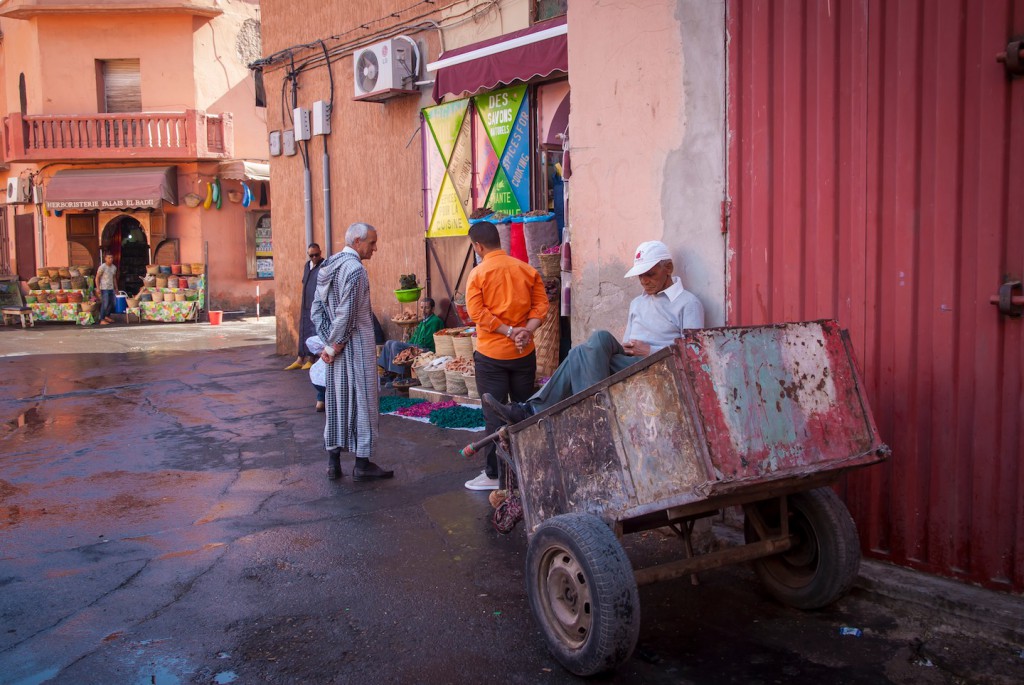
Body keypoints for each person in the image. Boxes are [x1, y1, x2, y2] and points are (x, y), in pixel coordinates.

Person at [484, 240, 704, 424]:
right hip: (629, 360)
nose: (644, 281)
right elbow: (627, 342)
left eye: (650, 274)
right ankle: (587, 410)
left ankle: (534, 410)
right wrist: (630, 348)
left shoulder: (687, 303)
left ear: (669, 269)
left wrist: (650, 350)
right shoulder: (638, 302)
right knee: (598, 339)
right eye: (640, 276)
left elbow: (693, 356)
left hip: (658, 364)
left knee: (578, 354)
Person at [464, 221, 548, 491]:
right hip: (524, 353)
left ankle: (495, 475)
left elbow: (478, 314)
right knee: (524, 409)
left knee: (494, 416)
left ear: (478, 246)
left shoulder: (478, 274)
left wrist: (509, 331)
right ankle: (529, 467)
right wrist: (525, 332)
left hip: (492, 356)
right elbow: (541, 306)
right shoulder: (526, 269)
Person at [311, 222, 394, 482]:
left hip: (336, 350)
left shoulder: (328, 265)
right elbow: (347, 313)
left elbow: (317, 309)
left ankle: (333, 462)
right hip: (354, 347)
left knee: (336, 402)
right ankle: (362, 463)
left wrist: (327, 343)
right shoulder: (356, 270)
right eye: (371, 242)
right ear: (357, 241)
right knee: (364, 402)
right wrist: (335, 345)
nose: (375, 248)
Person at [376, 297, 444, 378]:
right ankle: (388, 371)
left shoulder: (435, 321)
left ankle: (400, 375)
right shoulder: (423, 321)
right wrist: (407, 344)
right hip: (416, 345)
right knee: (388, 343)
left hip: (425, 348)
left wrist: (410, 347)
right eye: (422, 307)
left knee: (395, 345)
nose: (423, 310)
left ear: (433, 309)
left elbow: (427, 342)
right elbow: (414, 337)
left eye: (427, 308)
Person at [286, 243, 325, 370]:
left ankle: (311, 359)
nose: (314, 257)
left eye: (316, 255)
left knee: (314, 330)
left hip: (316, 303)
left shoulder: (324, 265)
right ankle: (300, 358)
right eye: (311, 255)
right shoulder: (307, 266)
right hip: (306, 302)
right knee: (303, 329)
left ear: (320, 252)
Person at [95, 254, 118, 325]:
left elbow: (114, 278)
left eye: (111, 257)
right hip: (104, 288)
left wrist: (116, 288)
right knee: (105, 303)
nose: (110, 259)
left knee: (112, 303)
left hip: (111, 287)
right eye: (109, 258)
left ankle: (107, 316)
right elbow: (97, 277)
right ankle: (102, 319)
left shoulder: (114, 267)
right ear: (105, 259)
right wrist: (98, 288)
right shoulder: (102, 267)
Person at [306, 335, 327, 412]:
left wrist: (321, 352)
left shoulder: (323, 339)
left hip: (316, 379)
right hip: (329, 381)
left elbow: (309, 341)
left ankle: (320, 402)